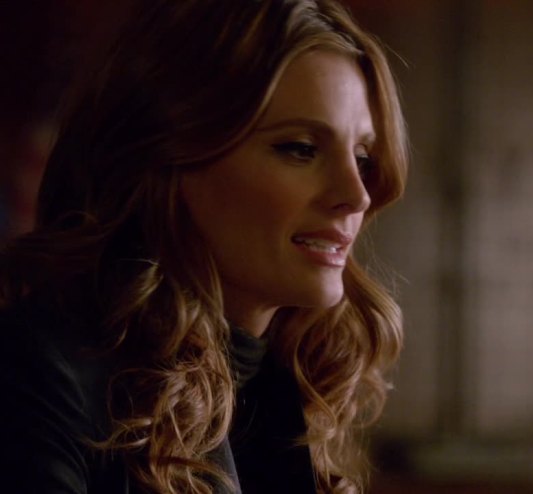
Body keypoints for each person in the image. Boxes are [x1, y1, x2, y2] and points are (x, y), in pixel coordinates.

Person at [0, 0, 407, 493]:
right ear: (169, 157)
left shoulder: (287, 386)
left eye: (362, 157)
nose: (356, 194)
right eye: (300, 148)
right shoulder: (37, 374)